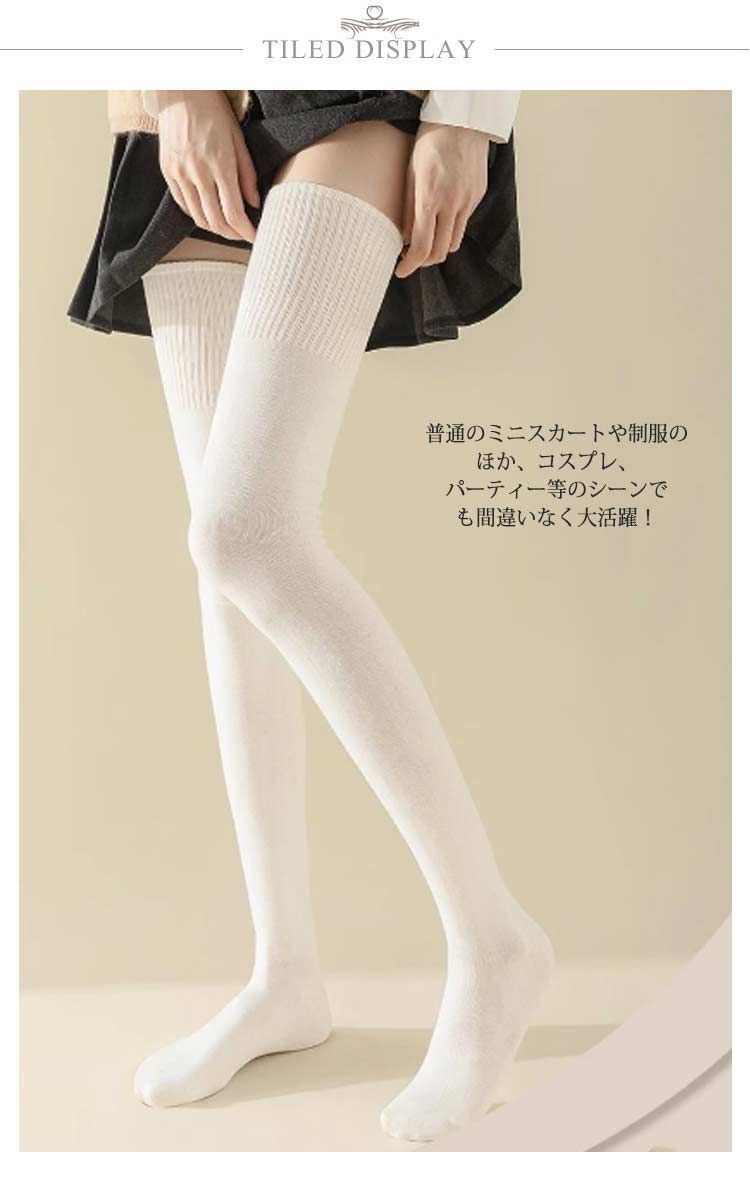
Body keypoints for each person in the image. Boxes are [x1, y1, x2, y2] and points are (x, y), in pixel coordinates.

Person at [67, 89, 554, 1143]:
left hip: (361, 75)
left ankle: (493, 940)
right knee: (226, 576)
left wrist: (470, 112)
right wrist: (176, 83)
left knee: (246, 532)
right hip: (194, 88)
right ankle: (283, 975)